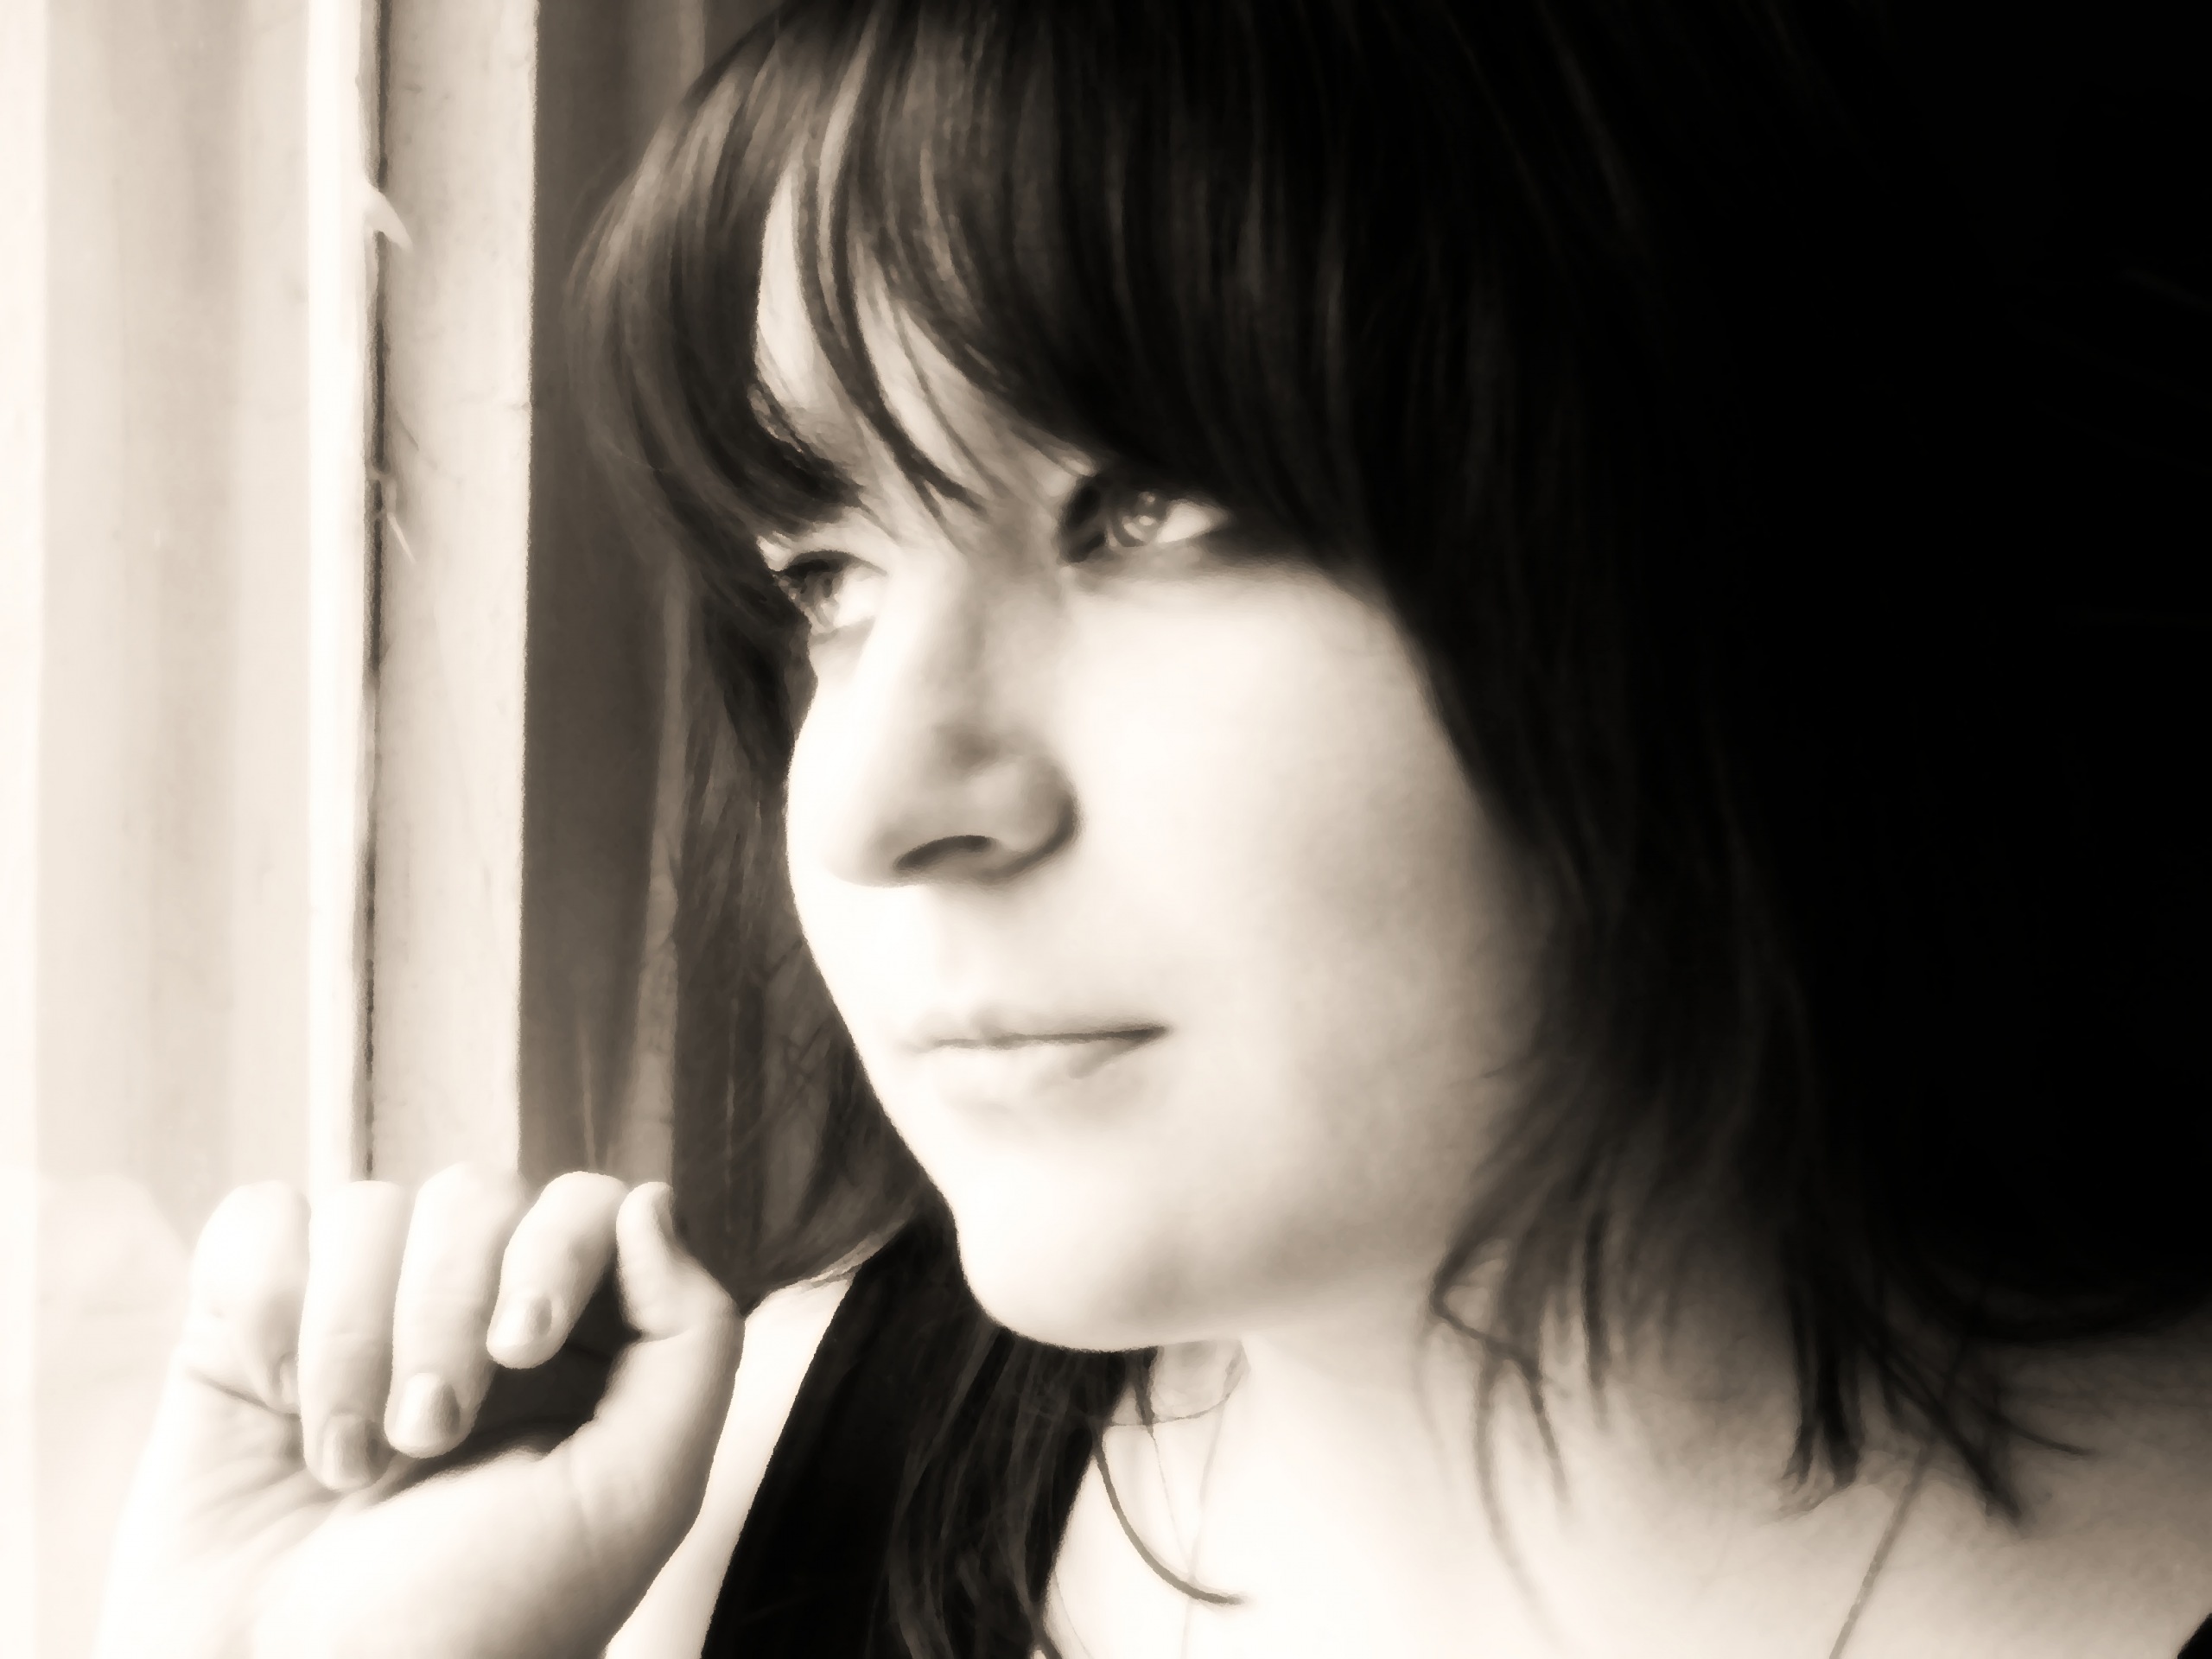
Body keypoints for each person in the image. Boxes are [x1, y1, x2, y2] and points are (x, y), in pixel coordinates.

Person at [97, 1, 2212, 1655]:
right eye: (821, 576)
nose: (872, 802)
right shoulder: (698, 1513)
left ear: (1695, 536)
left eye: (1138, 511)